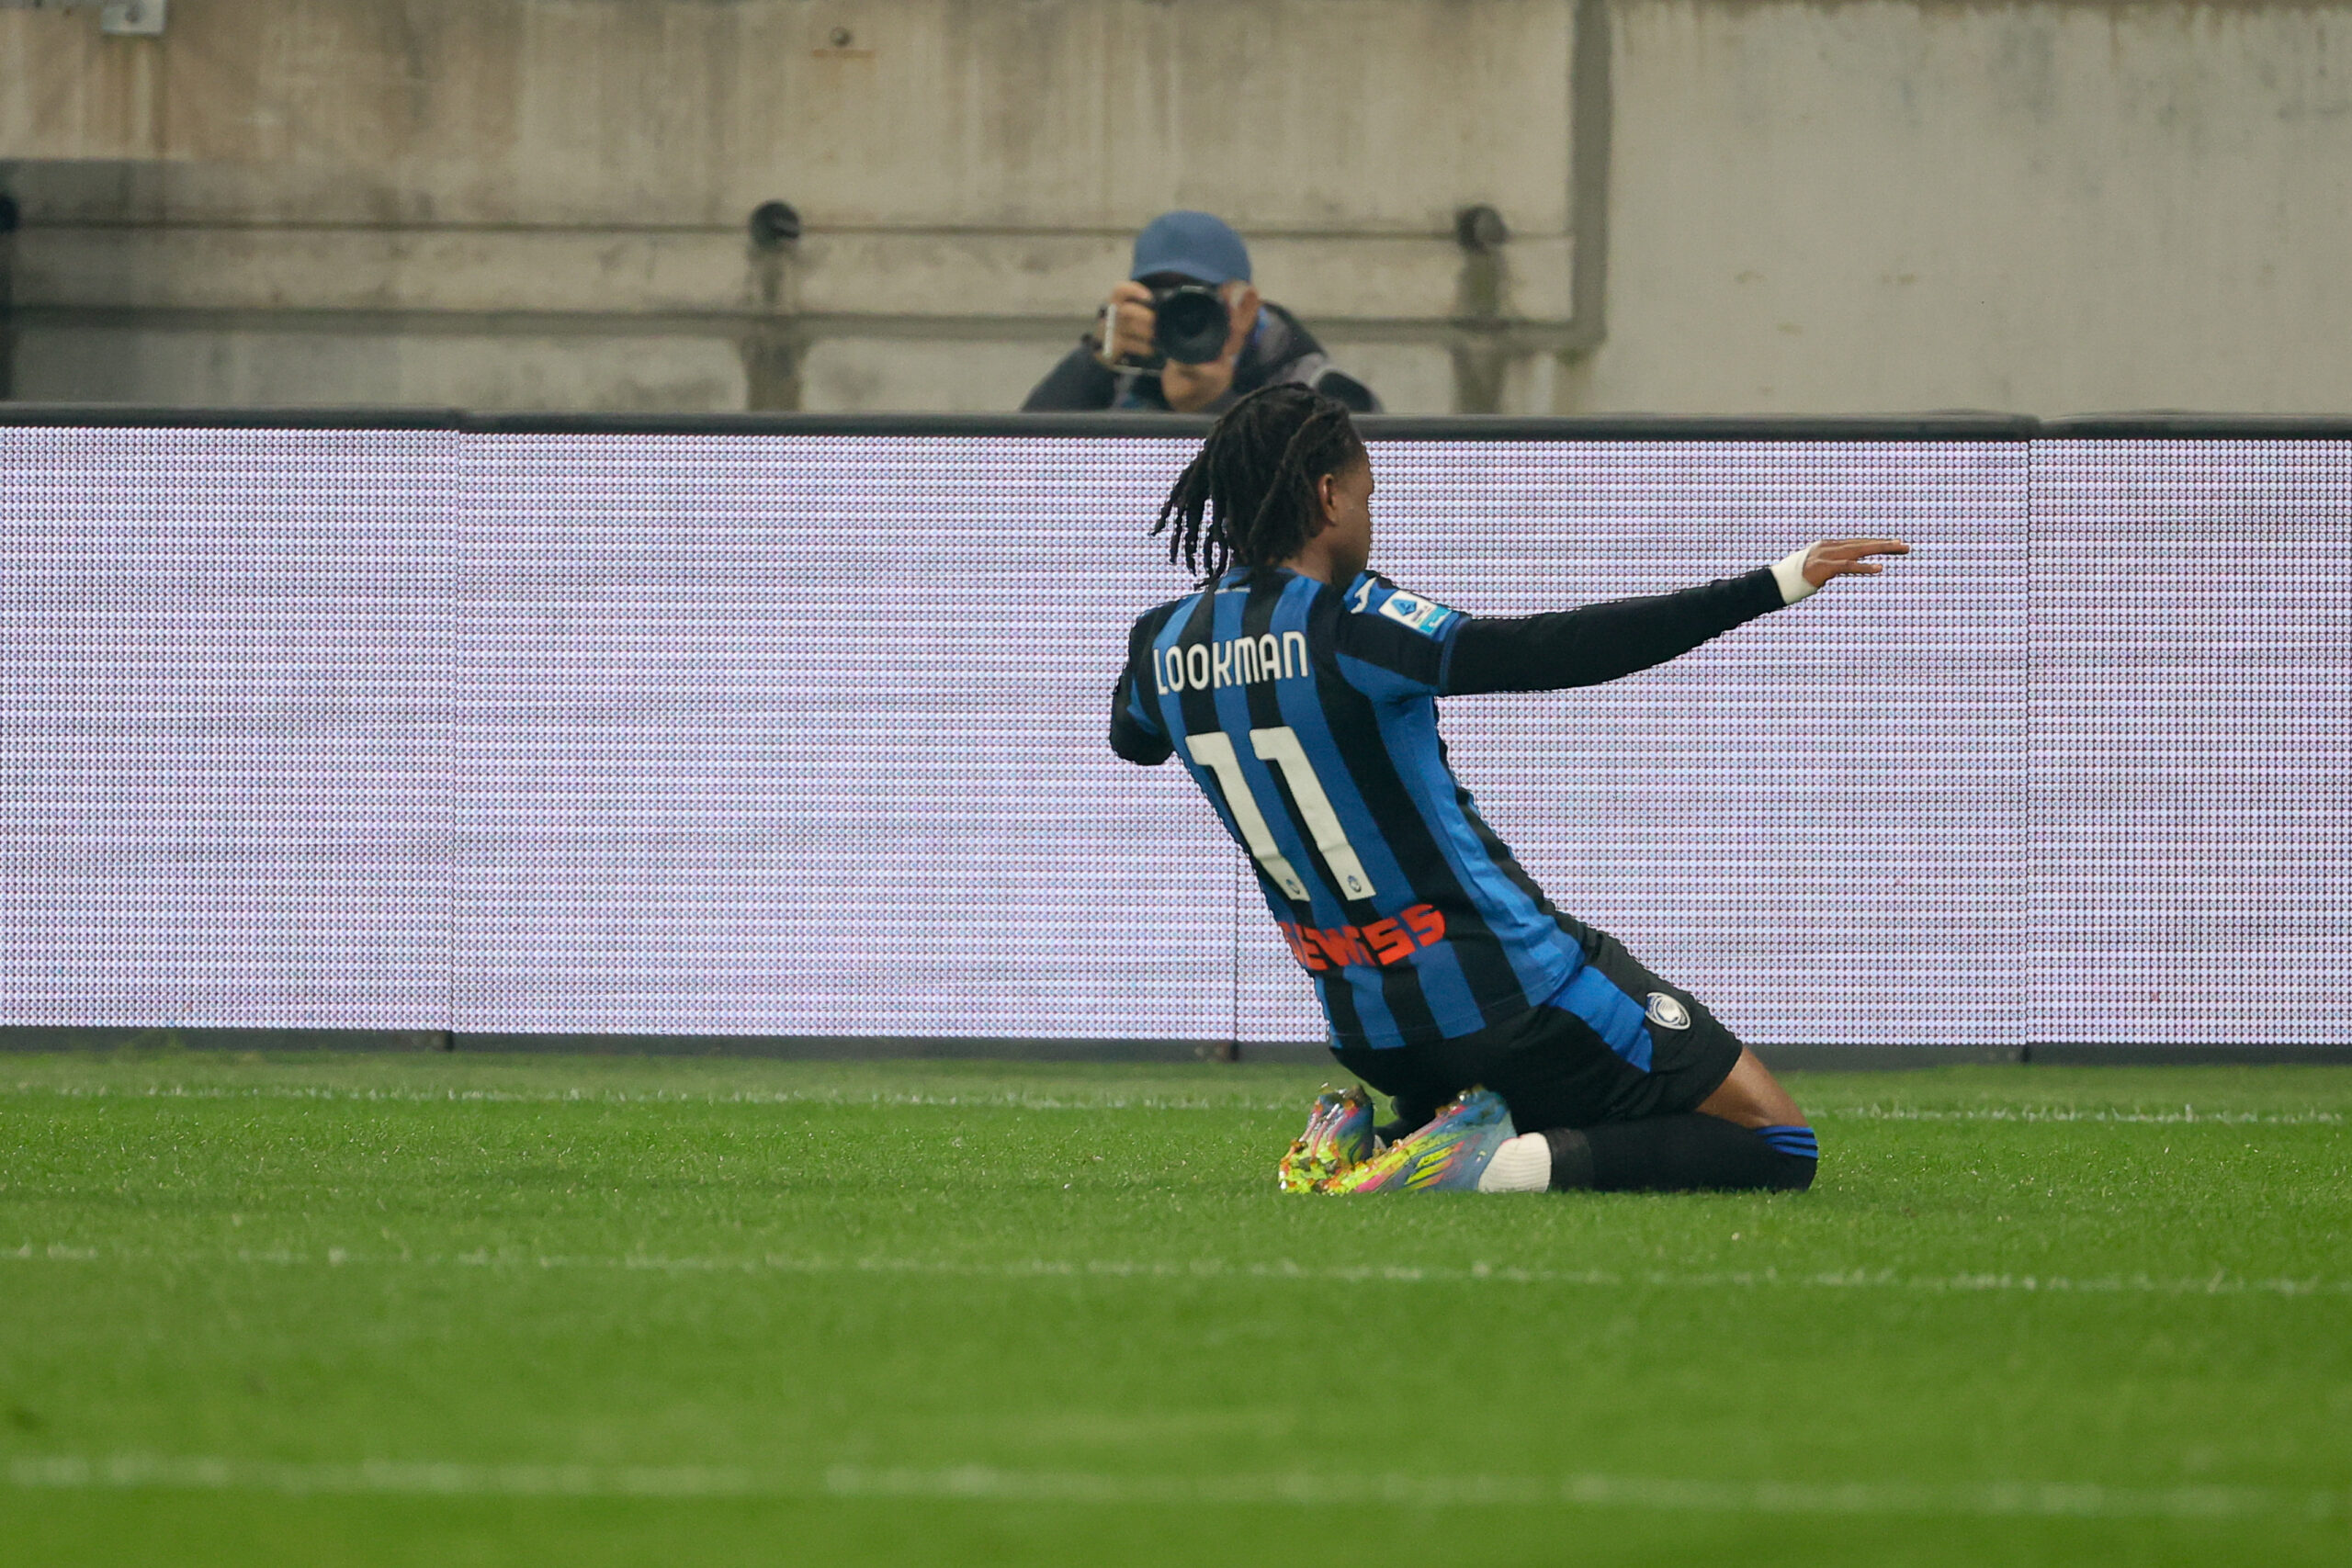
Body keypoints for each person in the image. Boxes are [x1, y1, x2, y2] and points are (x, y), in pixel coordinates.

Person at [1106, 385, 1909, 1194]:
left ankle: (1380, 1139)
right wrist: (1772, 584)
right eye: (1365, 495)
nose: (1369, 515)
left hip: (1369, 1028)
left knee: (1578, 1108)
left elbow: (1131, 739)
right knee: (1776, 1143)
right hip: (1512, 991)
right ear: (1327, 496)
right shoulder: (1350, 619)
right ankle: (1484, 1165)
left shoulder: (1161, 644)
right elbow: (1544, 652)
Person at [1023, 211, 1379, 415]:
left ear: (1246, 307)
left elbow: (1335, 510)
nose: (1183, 315)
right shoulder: (1124, 376)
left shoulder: (1321, 392)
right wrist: (1094, 362)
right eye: (1162, 297)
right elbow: (1017, 470)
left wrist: (1218, 409)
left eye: (1198, 298)